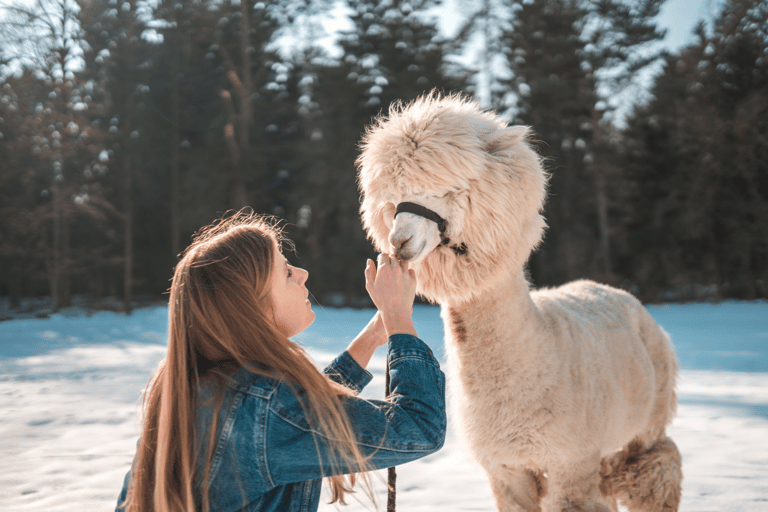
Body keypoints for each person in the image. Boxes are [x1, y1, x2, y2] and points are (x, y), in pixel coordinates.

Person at [115, 212, 446, 512]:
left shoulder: (186, 386)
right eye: (286, 272)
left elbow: (302, 418)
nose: (302, 274)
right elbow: (419, 427)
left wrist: (375, 334)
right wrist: (400, 319)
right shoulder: (268, 407)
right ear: (252, 307)